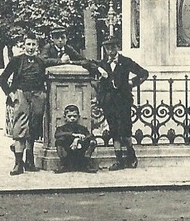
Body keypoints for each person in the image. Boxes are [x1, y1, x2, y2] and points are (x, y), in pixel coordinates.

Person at [85, 42, 148, 170]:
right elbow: (86, 63)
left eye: (112, 47)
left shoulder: (125, 61)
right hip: (108, 101)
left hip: (123, 100)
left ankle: (131, 156)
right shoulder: (102, 63)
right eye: (107, 48)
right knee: (114, 129)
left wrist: (131, 82)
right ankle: (119, 160)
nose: (110, 50)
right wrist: (99, 69)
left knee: (125, 129)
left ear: (117, 48)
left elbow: (143, 73)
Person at [0, 33, 53, 176]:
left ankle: (30, 161)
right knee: (20, 128)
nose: (30, 47)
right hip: (21, 94)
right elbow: (2, 78)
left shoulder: (40, 62)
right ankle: (18, 163)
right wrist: (10, 93)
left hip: (38, 95)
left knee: (34, 127)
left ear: (37, 47)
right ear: (24, 45)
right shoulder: (16, 61)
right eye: (28, 44)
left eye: (33, 44)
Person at [54, 104, 97, 173]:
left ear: (78, 117)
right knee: (59, 141)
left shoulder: (82, 128)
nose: (72, 118)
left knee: (92, 141)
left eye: (74, 116)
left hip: (81, 152)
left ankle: (86, 164)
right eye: (69, 116)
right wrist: (72, 135)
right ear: (65, 117)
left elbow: (90, 135)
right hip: (68, 152)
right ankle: (63, 165)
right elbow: (57, 135)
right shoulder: (62, 128)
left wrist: (77, 140)